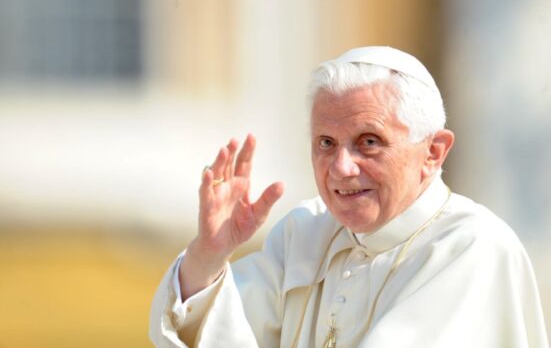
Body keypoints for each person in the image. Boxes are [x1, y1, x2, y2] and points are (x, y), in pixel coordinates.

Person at [149, 46, 549, 348]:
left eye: (368, 142)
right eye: (326, 142)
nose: (341, 168)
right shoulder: (304, 234)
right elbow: (206, 333)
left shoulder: (473, 248)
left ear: (433, 152)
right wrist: (208, 255)